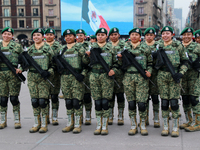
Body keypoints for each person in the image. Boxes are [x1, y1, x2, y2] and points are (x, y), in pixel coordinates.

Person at [117, 28, 152, 136]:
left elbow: (150, 62)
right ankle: (133, 125)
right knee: (131, 103)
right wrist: (119, 58)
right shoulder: (124, 48)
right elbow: (119, 64)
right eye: (132, 34)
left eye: (136, 34)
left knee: (142, 104)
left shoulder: (145, 48)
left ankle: (142, 125)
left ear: (140, 36)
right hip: (128, 77)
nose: (134, 36)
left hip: (141, 78)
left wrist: (149, 71)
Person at [85, 28, 119, 135]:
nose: (100, 36)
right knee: (97, 101)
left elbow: (117, 63)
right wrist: (87, 56)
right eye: (98, 35)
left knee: (105, 101)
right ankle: (98, 124)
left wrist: (114, 70)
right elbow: (85, 63)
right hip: (94, 75)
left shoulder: (111, 48)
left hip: (106, 76)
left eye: (102, 35)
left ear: (106, 36)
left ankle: (105, 125)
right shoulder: (91, 48)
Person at [156, 26, 188, 137]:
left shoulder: (178, 45)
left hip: (174, 76)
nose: (165, 35)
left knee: (174, 103)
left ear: (172, 34)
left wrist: (181, 73)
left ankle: (175, 127)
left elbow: (185, 61)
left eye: (167, 33)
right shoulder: (158, 45)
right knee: (164, 102)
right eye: (163, 33)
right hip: (162, 76)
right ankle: (165, 126)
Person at [26, 28, 55, 133]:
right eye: (34, 35)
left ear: (43, 37)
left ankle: (44, 124)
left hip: (44, 78)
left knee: (43, 101)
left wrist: (49, 72)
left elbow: (54, 64)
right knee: (34, 101)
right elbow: (26, 65)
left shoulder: (48, 49)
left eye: (38, 35)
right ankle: (36, 123)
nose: (36, 37)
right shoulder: (30, 49)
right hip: (32, 77)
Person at [61, 29, 89, 134]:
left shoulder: (80, 48)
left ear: (75, 37)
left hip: (76, 77)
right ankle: (69, 123)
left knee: (76, 102)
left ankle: (77, 124)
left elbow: (87, 64)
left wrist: (83, 75)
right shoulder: (61, 49)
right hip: (65, 78)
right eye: (66, 36)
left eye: (70, 36)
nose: (68, 38)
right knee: (68, 101)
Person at [0, 27, 23, 129]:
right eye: (5, 34)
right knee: (2, 99)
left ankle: (17, 120)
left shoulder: (17, 46)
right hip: (1, 75)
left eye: (9, 34)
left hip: (13, 75)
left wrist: (21, 69)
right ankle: (2, 120)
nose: (6, 36)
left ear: (12, 36)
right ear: (2, 35)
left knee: (14, 98)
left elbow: (26, 60)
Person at [179, 27, 200, 132]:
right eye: (184, 35)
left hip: (194, 76)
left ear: (192, 36)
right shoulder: (179, 46)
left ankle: (198, 122)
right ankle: (189, 120)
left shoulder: (197, 46)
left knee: (194, 99)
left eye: (188, 35)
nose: (186, 37)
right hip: (183, 77)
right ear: (182, 36)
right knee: (185, 99)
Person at [143, 27, 160, 128]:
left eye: (151, 35)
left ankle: (156, 118)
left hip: (155, 74)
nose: (149, 37)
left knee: (155, 97)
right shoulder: (141, 46)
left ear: (154, 36)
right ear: (145, 36)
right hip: (143, 74)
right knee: (144, 97)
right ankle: (145, 118)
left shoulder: (158, 46)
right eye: (147, 35)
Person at [44, 28, 62, 125]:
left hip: (55, 74)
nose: (49, 36)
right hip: (44, 74)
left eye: (51, 34)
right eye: (47, 34)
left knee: (54, 96)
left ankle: (54, 116)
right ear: (45, 36)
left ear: (54, 36)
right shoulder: (41, 45)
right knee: (44, 97)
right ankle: (46, 116)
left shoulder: (59, 46)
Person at [108, 27, 125, 125]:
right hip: (109, 74)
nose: (114, 36)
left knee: (120, 96)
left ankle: (120, 116)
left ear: (118, 35)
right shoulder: (107, 46)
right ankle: (110, 115)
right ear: (109, 36)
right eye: (112, 35)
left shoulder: (124, 45)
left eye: (115, 34)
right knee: (110, 96)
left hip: (120, 75)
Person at [76, 29, 92, 125]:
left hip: (87, 74)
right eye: (78, 35)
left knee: (87, 96)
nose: (79, 37)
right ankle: (79, 116)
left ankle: (88, 116)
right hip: (76, 74)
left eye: (81, 35)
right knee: (78, 97)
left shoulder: (89, 46)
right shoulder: (72, 46)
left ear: (85, 36)